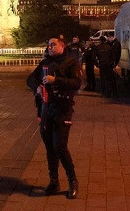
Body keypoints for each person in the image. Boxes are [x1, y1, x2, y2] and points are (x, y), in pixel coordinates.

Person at [26, 37, 81, 199]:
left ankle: (72, 180)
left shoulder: (71, 63)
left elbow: (77, 83)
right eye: (48, 45)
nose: (50, 47)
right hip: (46, 109)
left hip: (62, 109)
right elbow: (30, 78)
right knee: (50, 148)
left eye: (53, 44)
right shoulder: (46, 63)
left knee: (60, 147)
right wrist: (36, 87)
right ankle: (54, 181)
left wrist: (56, 80)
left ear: (62, 46)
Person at [96, 33, 116, 97]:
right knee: (108, 79)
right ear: (105, 41)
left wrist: (97, 64)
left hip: (102, 65)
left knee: (102, 79)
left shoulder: (98, 48)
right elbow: (113, 57)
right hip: (108, 66)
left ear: (100, 41)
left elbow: (94, 57)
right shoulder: (109, 47)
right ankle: (108, 92)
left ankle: (103, 93)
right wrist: (112, 64)